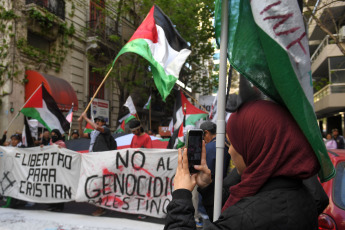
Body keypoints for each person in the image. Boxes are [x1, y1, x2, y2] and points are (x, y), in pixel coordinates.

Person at [165, 100, 321, 229]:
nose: (230, 151)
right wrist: (207, 187)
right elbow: (226, 217)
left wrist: (181, 195)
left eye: (233, 143)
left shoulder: (249, 216)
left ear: (257, 146)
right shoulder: (301, 195)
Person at [78, 114, 116, 216]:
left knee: (100, 183)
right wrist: (80, 123)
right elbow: (82, 135)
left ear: (103, 123)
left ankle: (101, 208)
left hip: (102, 159)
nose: (97, 122)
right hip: (94, 159)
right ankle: (100, 206)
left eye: (99, 120)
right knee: (96, 183)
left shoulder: (105, 130)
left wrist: (86, 118)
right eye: (96, 120)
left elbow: (97, 127)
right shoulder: (94, 133)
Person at [46, 129, 66, 212]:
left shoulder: (62, 144)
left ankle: (59, 206)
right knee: (51, 187)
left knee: (59, 187)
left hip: (59, 169)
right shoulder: (50, 143)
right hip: (51, 168)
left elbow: (65, 154)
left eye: (55, 134)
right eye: (52, 134)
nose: (53, 136)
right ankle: (52, 205)